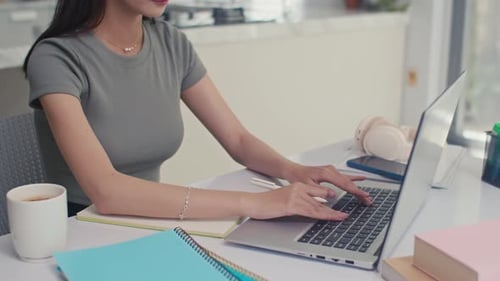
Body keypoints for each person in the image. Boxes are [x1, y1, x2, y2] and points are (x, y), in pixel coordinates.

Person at [23, 0, 372, 220]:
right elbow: (107, 191)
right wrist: (258, 203)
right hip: (81, 226)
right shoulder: (56, 58)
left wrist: (293, 171)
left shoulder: (170, 42)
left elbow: (236, 139)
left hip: (152, 219)